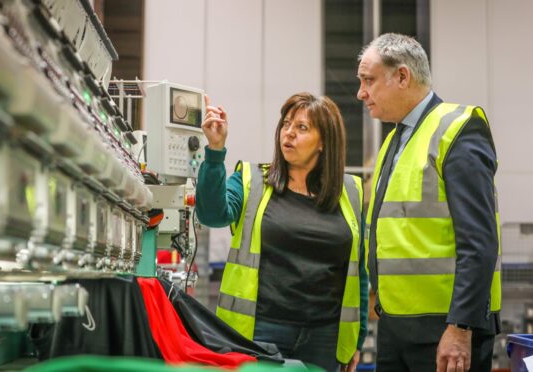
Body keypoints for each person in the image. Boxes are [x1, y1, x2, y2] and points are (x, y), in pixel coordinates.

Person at [357, 33, 501, 372]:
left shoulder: (458, 128)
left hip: (445, 329)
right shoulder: (394, 139)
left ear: (403, 76)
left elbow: (479, 241)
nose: (361, 93)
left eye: (368, 80)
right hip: (395, 325)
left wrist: (460, 327)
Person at [196, 92, 369, 372]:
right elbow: (212, 215)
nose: (288, 133)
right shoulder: (252, 180)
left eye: (302, 128)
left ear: (324, 142)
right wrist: (215, 152)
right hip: (260, 331)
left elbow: (358, 271)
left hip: (326, 337)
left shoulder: (350, 192)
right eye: (286, 124)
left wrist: (357, 341)